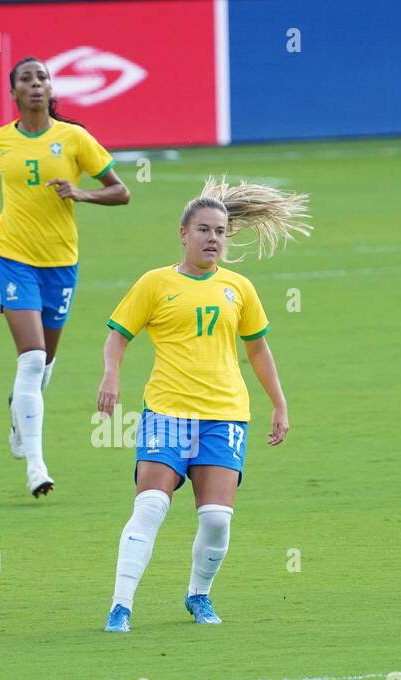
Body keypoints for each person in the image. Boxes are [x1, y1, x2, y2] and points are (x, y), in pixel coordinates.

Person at [98, 177, 309, 632]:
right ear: (183, 233)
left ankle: (198, 595)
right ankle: (121, 605)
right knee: (151, 506)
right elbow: (117, 337)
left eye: (219, 231)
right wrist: (112, 375)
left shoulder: (239, 288)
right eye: (204, 230)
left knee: (215, 518)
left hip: (225, 415)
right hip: (167, 412)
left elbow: (258, 350)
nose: (213, 239)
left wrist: (279, 404)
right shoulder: (155, 284)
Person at [0, 55, 129, 497]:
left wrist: (80, 193)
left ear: (51, 89)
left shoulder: (74, 138)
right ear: (13, 92)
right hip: (12, 256)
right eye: (26, 78)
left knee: (45, 366)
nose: (36, 84)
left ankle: (18, 411)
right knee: (32, 358)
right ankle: (36, 467)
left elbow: (121, 191)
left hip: (60, 261)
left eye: (42, 77)